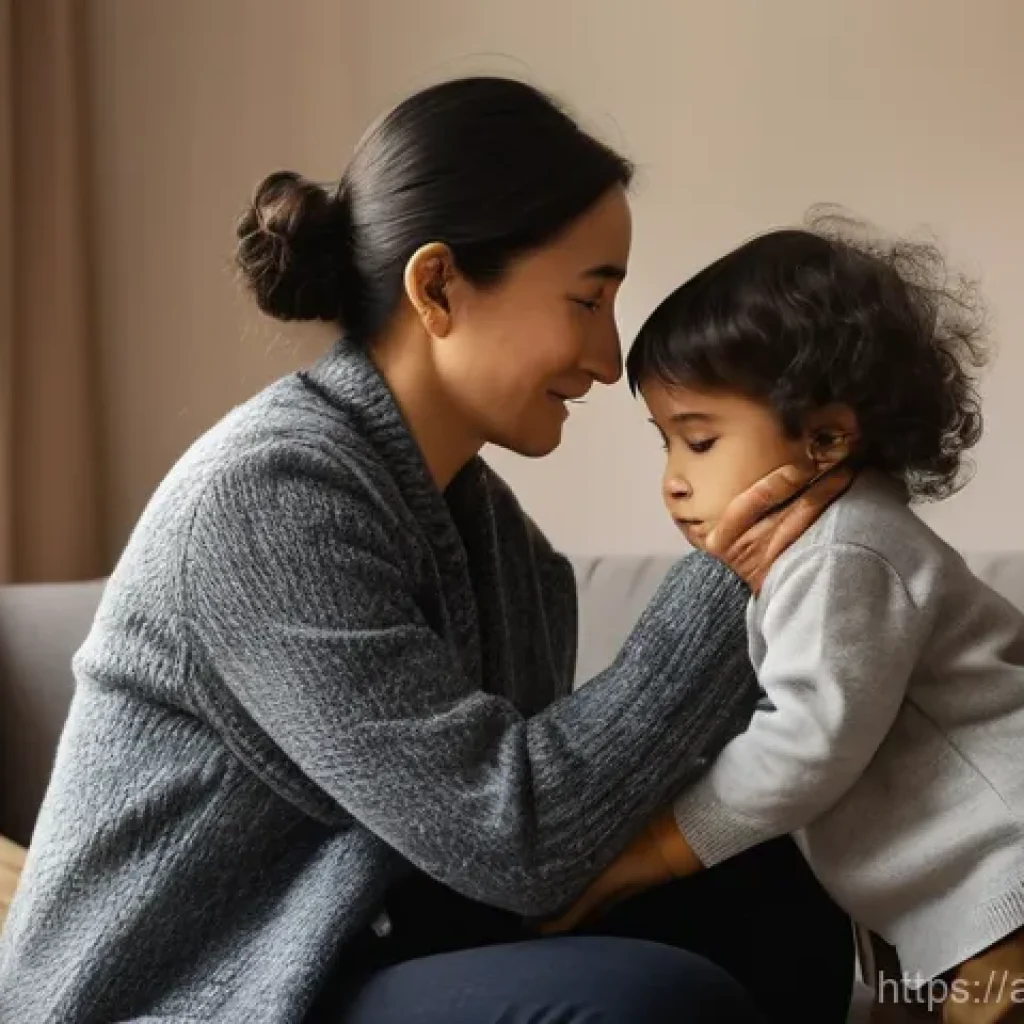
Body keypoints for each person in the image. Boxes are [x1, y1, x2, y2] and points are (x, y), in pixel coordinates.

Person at [0, 79, 853, 1024]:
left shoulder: (508, 548)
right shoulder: (266, 501)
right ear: (437, 285)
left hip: (373, 945)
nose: (610, 360)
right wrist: (733, 574)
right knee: (649, 1002)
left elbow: (523, 860)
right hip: (202, 994)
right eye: (586, 300)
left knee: (776, 904)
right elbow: (514, 839)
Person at [549, 216, 1024, 1022]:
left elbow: (807, 742)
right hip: (927, 913)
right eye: (663, 443)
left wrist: (653, 852)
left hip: (1001, 881)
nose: (672, 480)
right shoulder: (808, 561)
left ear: (826, 439)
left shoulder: (847, 551)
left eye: (698, 441)